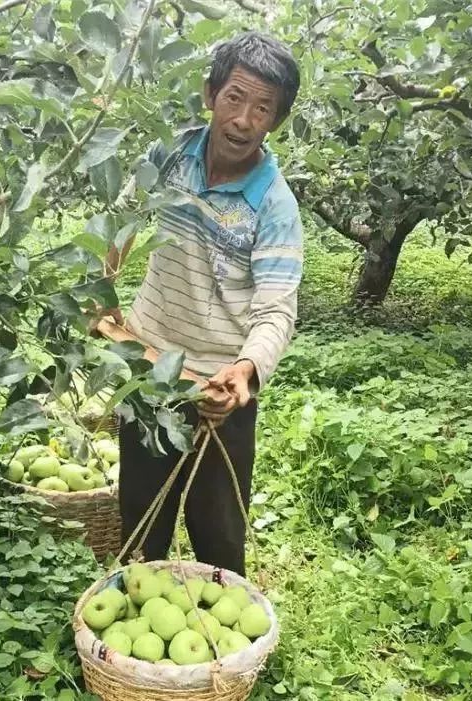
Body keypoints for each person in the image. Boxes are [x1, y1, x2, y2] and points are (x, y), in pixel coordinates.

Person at [103, 33, 303, 576]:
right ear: (211, 93)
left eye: (262, 108)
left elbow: (276, 307)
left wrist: (245, 371)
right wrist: (103, 289)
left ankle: (224, 645)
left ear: (275, 121)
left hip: (219, 388)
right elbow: (124, 217)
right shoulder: (168, 154)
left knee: (220, 535)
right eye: (235, 98)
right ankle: (134, 628)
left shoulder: (274, 205)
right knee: (142, 523)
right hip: (147, 368)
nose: (243, 119)